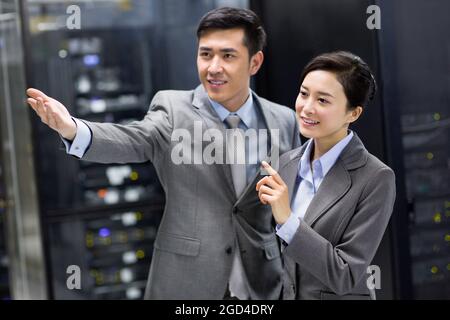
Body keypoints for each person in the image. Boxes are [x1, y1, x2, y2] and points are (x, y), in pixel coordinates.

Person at [26, 7, 301, 299]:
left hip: (262, 285)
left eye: (228, 56)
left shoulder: (282, 120)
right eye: (205, 54)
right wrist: (72, 128)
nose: (213, 67)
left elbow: (294, 203)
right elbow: (132, 139)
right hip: (187, 283)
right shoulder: (172, 109)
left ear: (254, 62)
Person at [256, 51, 396, 300]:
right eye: (303, 93)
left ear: (353, 113)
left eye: (323, 100)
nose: (307, 108)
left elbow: (346, 274)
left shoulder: (376, 178)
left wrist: (287, 221)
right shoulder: (284, 164)